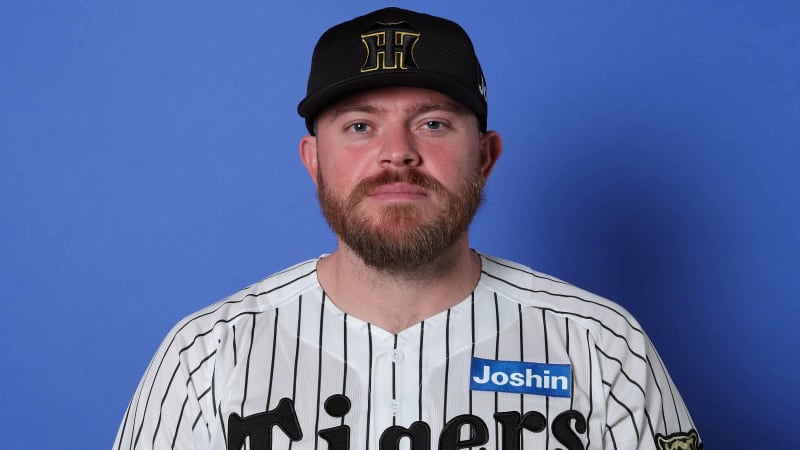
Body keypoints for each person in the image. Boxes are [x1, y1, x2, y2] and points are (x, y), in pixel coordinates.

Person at [113, 7, 701, 450]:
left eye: (433, 123)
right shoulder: (207, 357)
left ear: (485, 156)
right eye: (360, 126)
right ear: (314, 161)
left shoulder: (602, 345)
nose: (397, 152)